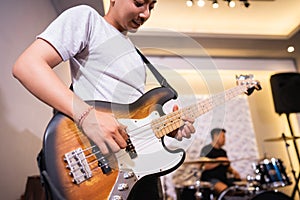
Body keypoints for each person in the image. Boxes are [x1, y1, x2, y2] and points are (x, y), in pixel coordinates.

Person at [12, 0, 196, 199]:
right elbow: (28, 66)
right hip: (96, 165)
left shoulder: (136, 55)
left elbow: (130, 120)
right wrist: (87, 117)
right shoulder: (88, 19)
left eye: (151, 7)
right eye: (139, 3)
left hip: (137, 172)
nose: (145, 14)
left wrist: (164, 129)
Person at [200, 128, 241, 196]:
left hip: (223, 178)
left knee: (241, 188)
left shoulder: (223, 152)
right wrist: (219, 161)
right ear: (216, 136)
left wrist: (233, 171)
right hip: (210, 179)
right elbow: (203, 167)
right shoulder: (206, 149)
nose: (225, 139)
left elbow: (226, 166)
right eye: (223, 136)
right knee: (226, 192)